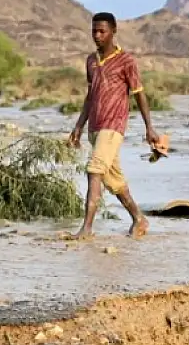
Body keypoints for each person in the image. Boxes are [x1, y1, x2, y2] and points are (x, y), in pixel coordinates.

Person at [67, 12, 161, 239]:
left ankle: (87, 228)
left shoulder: (126, 61)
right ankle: (139, 218)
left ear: (113, 31)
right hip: (95, 127)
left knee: (94, 170)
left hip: (114, 126)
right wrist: (79, 126)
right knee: (113, 180)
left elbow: (139, 94)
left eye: (102, 31)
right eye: (94, 31)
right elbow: (91, 96)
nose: (97, 36)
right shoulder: (91, 61)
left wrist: (149, 127)